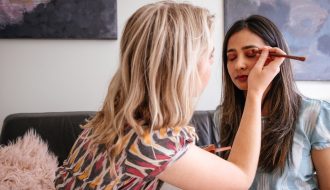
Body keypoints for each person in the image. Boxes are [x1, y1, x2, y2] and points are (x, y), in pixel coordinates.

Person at [54, 2, 283, 189]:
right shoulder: (152, 141)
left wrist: (186, 158)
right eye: (211, 55)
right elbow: (239, 180)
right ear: (183, 67)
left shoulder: (116, 117)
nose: (215, 64)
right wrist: (255, 93)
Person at [215, 14, 330, 189]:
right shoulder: (223, 115)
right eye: (231, 57)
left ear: (276, 58)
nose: (239, 64)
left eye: (251, 54)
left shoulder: (314, 114)